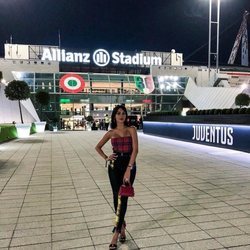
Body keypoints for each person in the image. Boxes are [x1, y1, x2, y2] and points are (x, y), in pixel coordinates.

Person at [95, 105, 138, 250]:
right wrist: (107, 157)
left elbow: (135, 150)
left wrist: (129, 168)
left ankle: (116, 232)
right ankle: (122, 226)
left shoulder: (131, 129)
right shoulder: (110, 133)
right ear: (114, 116)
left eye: (123, 113)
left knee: (123, 197)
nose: (121, 115)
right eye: (118, 113)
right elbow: (97, 147)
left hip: (129, 165)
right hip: (114, 166)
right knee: (116, 197)